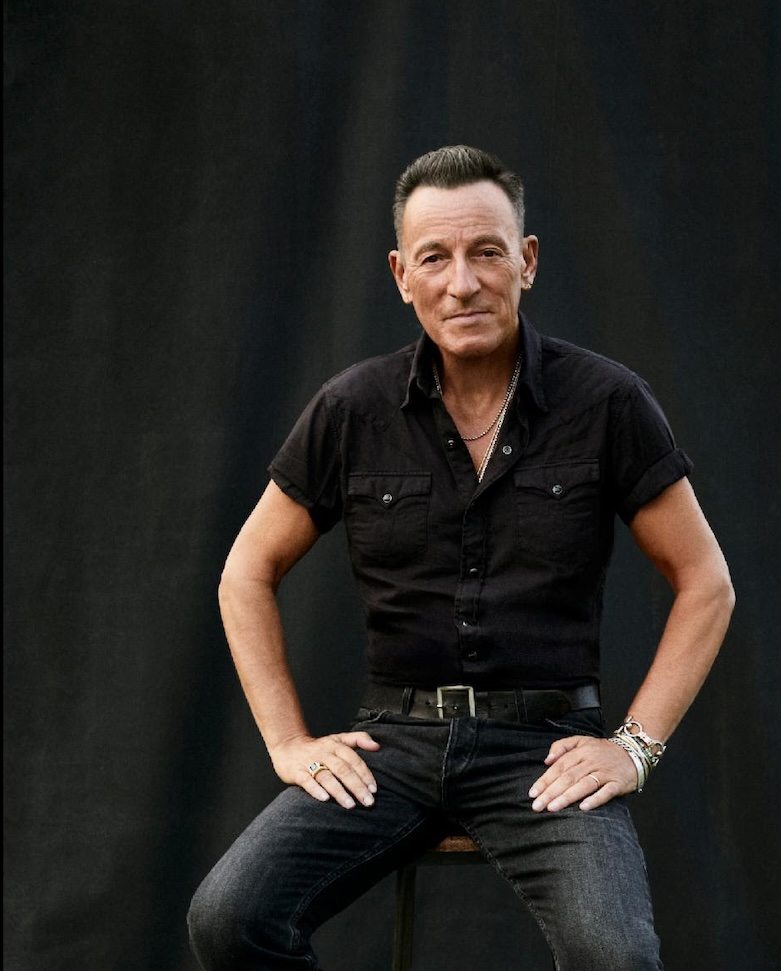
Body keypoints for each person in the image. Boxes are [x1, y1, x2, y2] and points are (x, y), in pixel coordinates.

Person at [187, 144, 735, 971]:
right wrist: (287, 741)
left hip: (544, 751)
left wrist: (634, 746)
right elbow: (245, 573)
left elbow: (706, 583)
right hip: (395, 749)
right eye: (435, 258)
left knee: (616, 955)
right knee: (230, 916)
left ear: (528, 260)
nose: (463, 283)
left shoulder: (607, 402)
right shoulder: (352, 408)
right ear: (401, 275)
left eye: (487, 252)